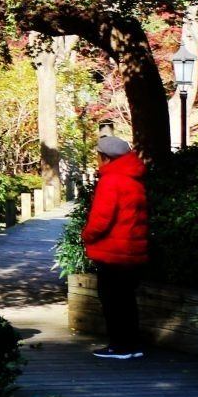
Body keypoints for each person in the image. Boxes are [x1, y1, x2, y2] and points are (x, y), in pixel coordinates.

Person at [83, 133, 150, 359]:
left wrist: (87, 235)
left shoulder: (111, 180)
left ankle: (119, 346)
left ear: (106, 158)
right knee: (127, 300)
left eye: (99, 156)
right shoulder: (134, 179)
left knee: (112, 300)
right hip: (131, 250)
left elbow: (101, 218)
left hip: (113, 251)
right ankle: (132, 345)